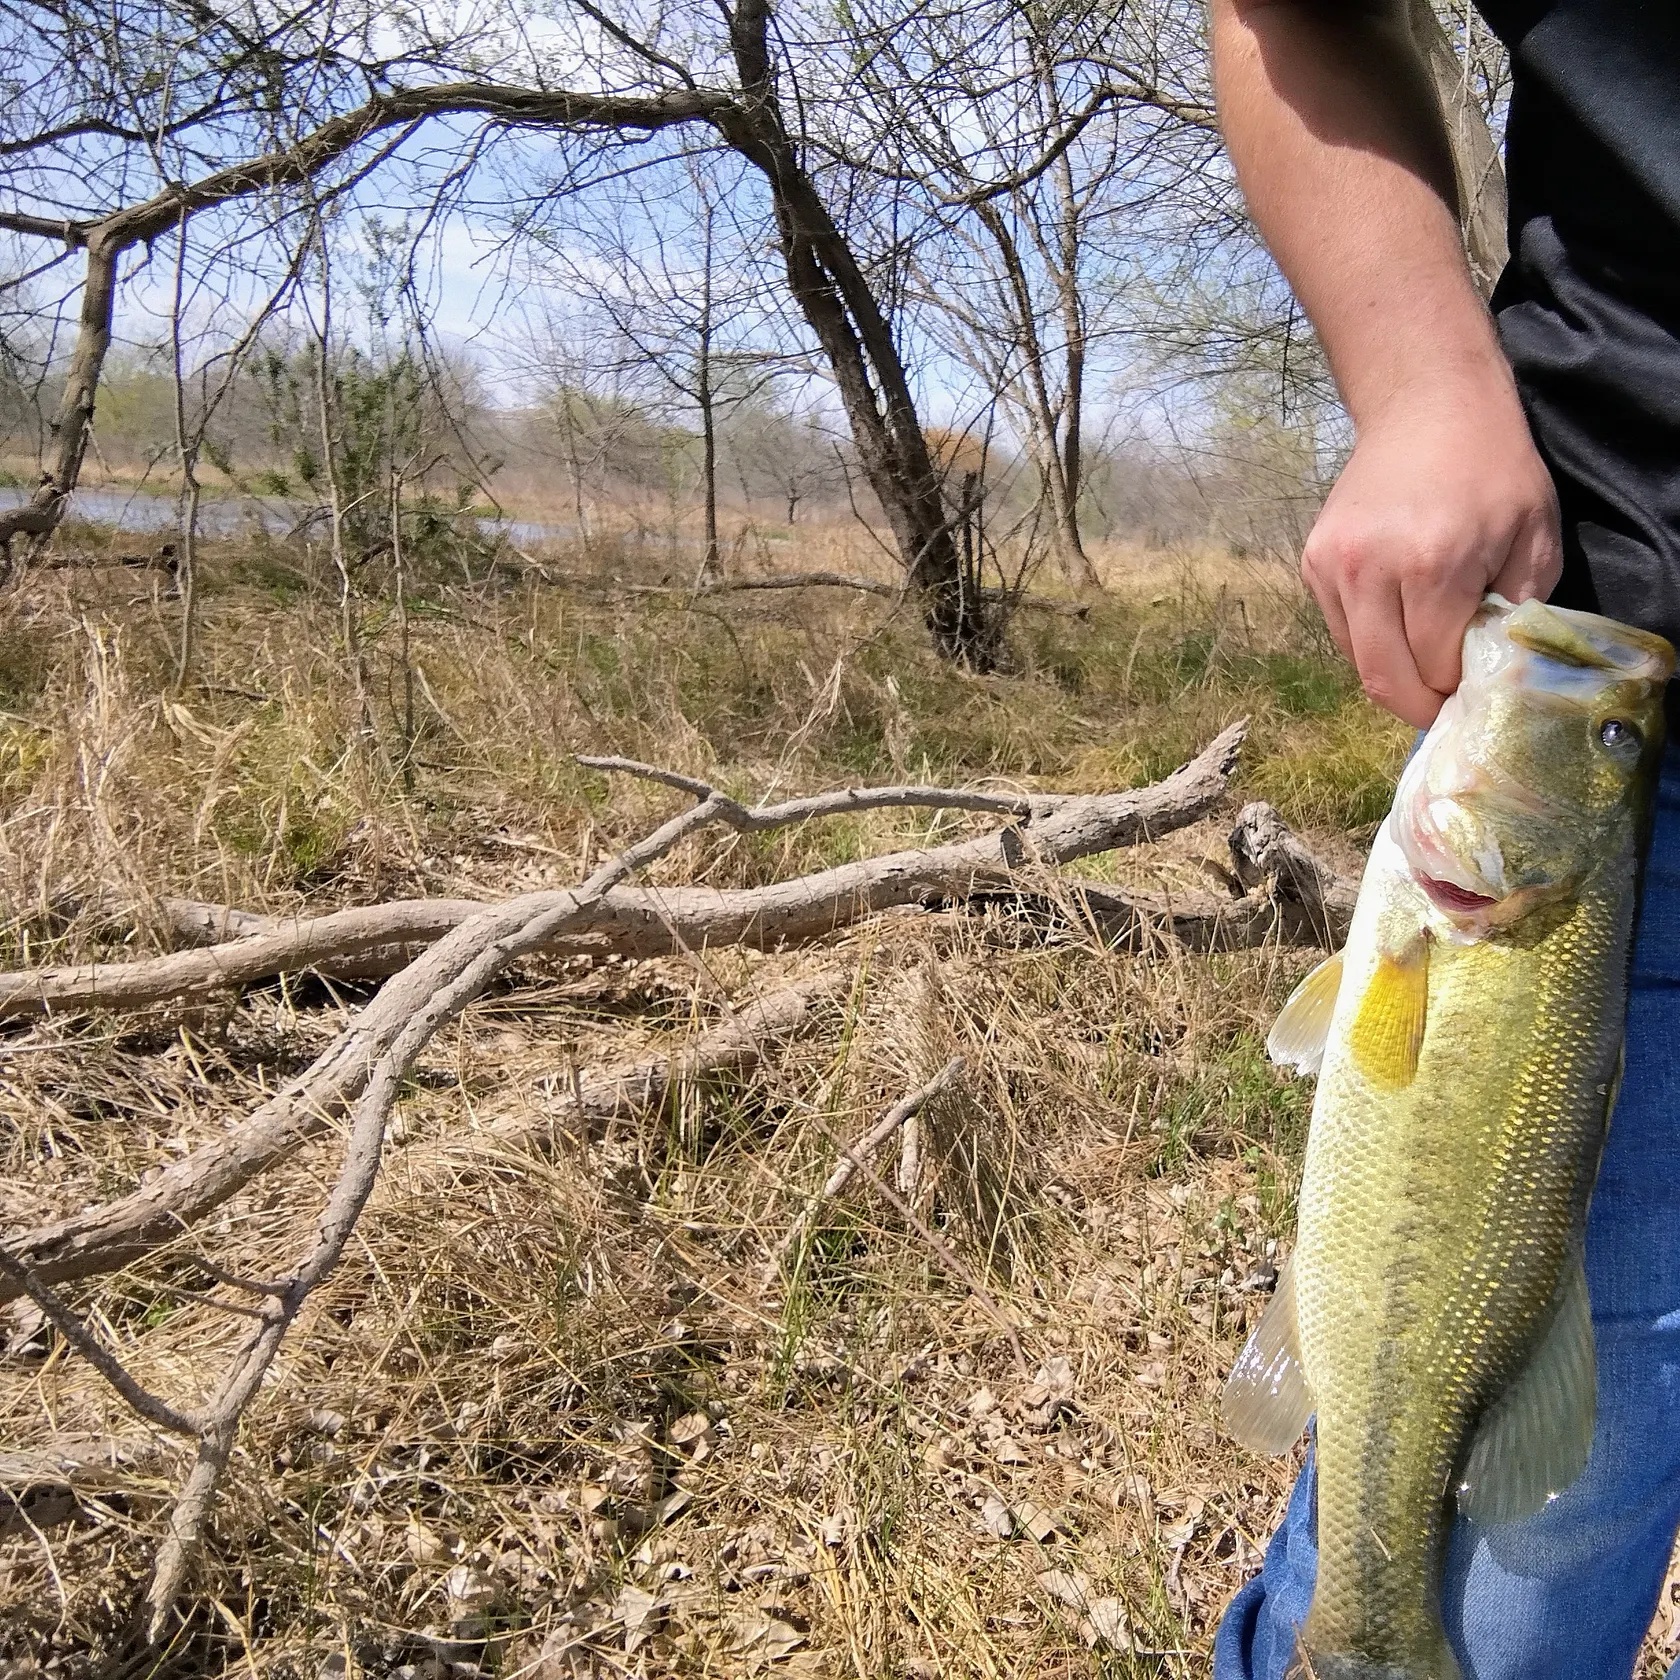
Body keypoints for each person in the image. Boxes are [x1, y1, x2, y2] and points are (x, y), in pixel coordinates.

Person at [1205, 2, 1680, 1677]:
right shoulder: (1488, 886)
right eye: (1588, 738)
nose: (1585, 717)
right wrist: (1417, 378)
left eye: (1594, 731)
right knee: (1549, 1553)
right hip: (1635, 541)